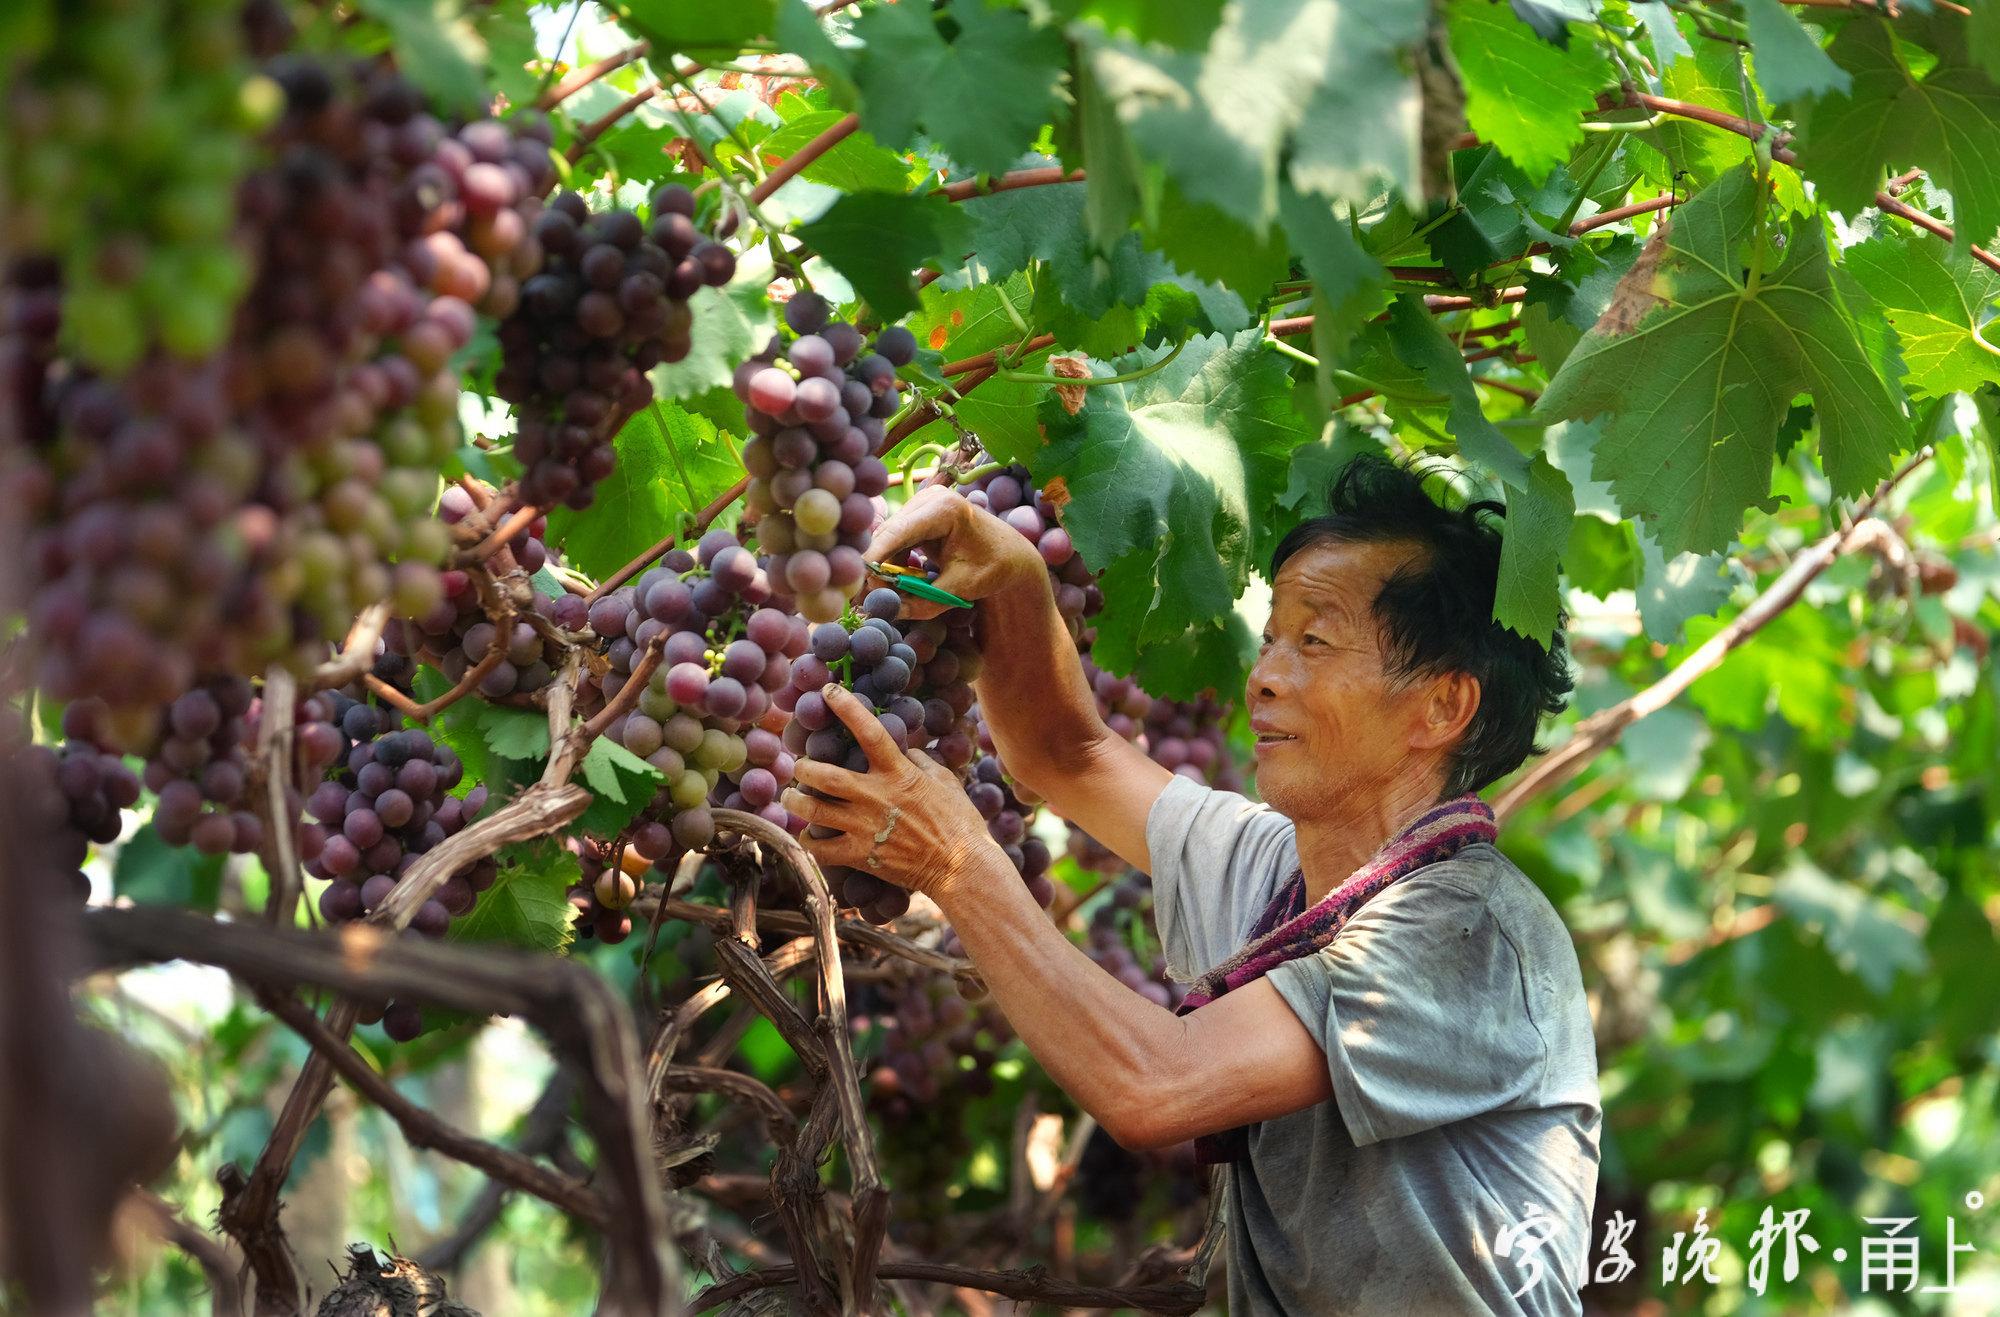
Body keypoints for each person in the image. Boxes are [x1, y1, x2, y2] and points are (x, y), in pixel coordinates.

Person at [783, 454, 1602, 1315]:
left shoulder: (1468, 931)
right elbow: (1071, 754)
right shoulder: (1281, 874)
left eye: (1314, 641)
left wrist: (955, 862)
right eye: (1274, 636)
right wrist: (1016, 577)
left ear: (1442, 707)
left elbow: (1155, 1084)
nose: (1264, 675)